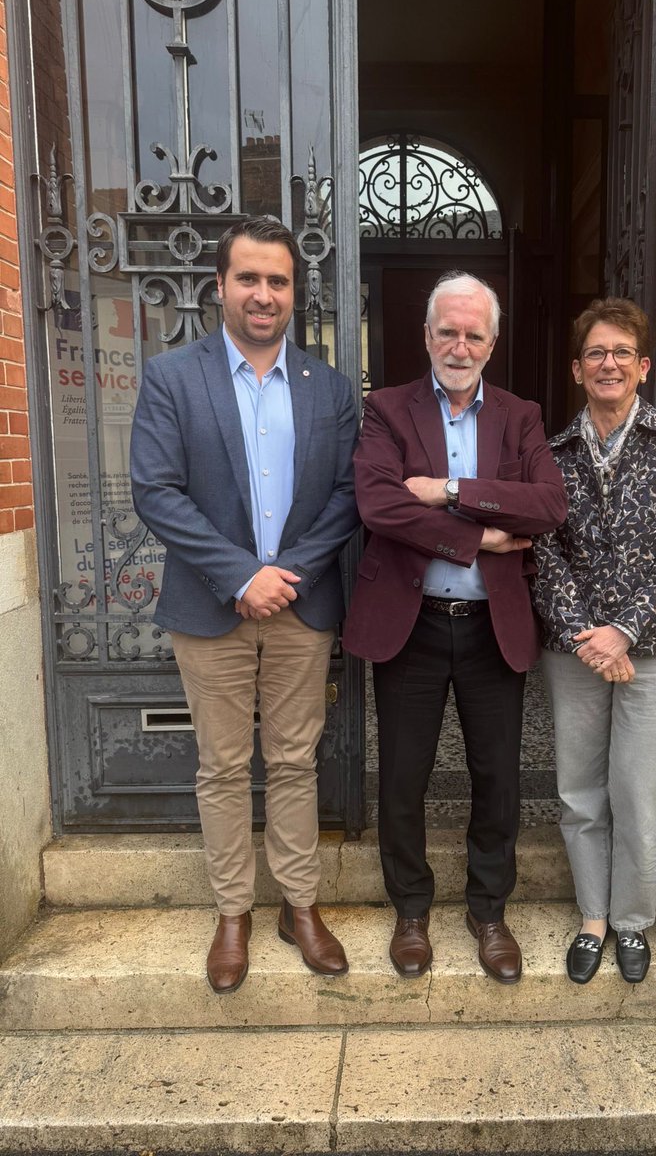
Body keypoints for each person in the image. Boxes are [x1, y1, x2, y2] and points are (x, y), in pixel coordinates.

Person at [130, 216, 359, 993]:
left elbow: (347, 493)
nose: (264, 295)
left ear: (296, 293)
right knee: (223, 767)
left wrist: (286, 572)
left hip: (300, 605)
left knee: (295, 761)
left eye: (279, 281)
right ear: (220, 286)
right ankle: (234, 912)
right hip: (209, 606)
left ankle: (300, 906)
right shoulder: (173, 378)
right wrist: (240, 575)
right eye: (250, 279)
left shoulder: (327, 387)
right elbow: (155, 491)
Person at [343, 271, 567, 984]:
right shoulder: (386, 410)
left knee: (497, 776)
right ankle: (411, 910)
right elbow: (379, 506)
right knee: (402, 777)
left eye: (474, 333)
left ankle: (487, 910)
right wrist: (478, 538)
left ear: (492, 342)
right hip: (409, 625)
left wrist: (450, 492)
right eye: (448, 331)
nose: (460, 344)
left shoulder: (520, 415)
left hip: (488, 625)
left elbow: (546, 506)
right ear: (427, 336)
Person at [530, 297, 656, 986]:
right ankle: (593, 919)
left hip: (655, 651)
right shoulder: (552, 453)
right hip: (575, 651)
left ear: (641, 368)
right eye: (595, 354)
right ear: (578, 369)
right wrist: (589, 637)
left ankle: (633, 921)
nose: (608, 364)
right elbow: (544, 554)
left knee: (640, 793)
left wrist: (625, 630)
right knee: (580, 792)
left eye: (621, 354)